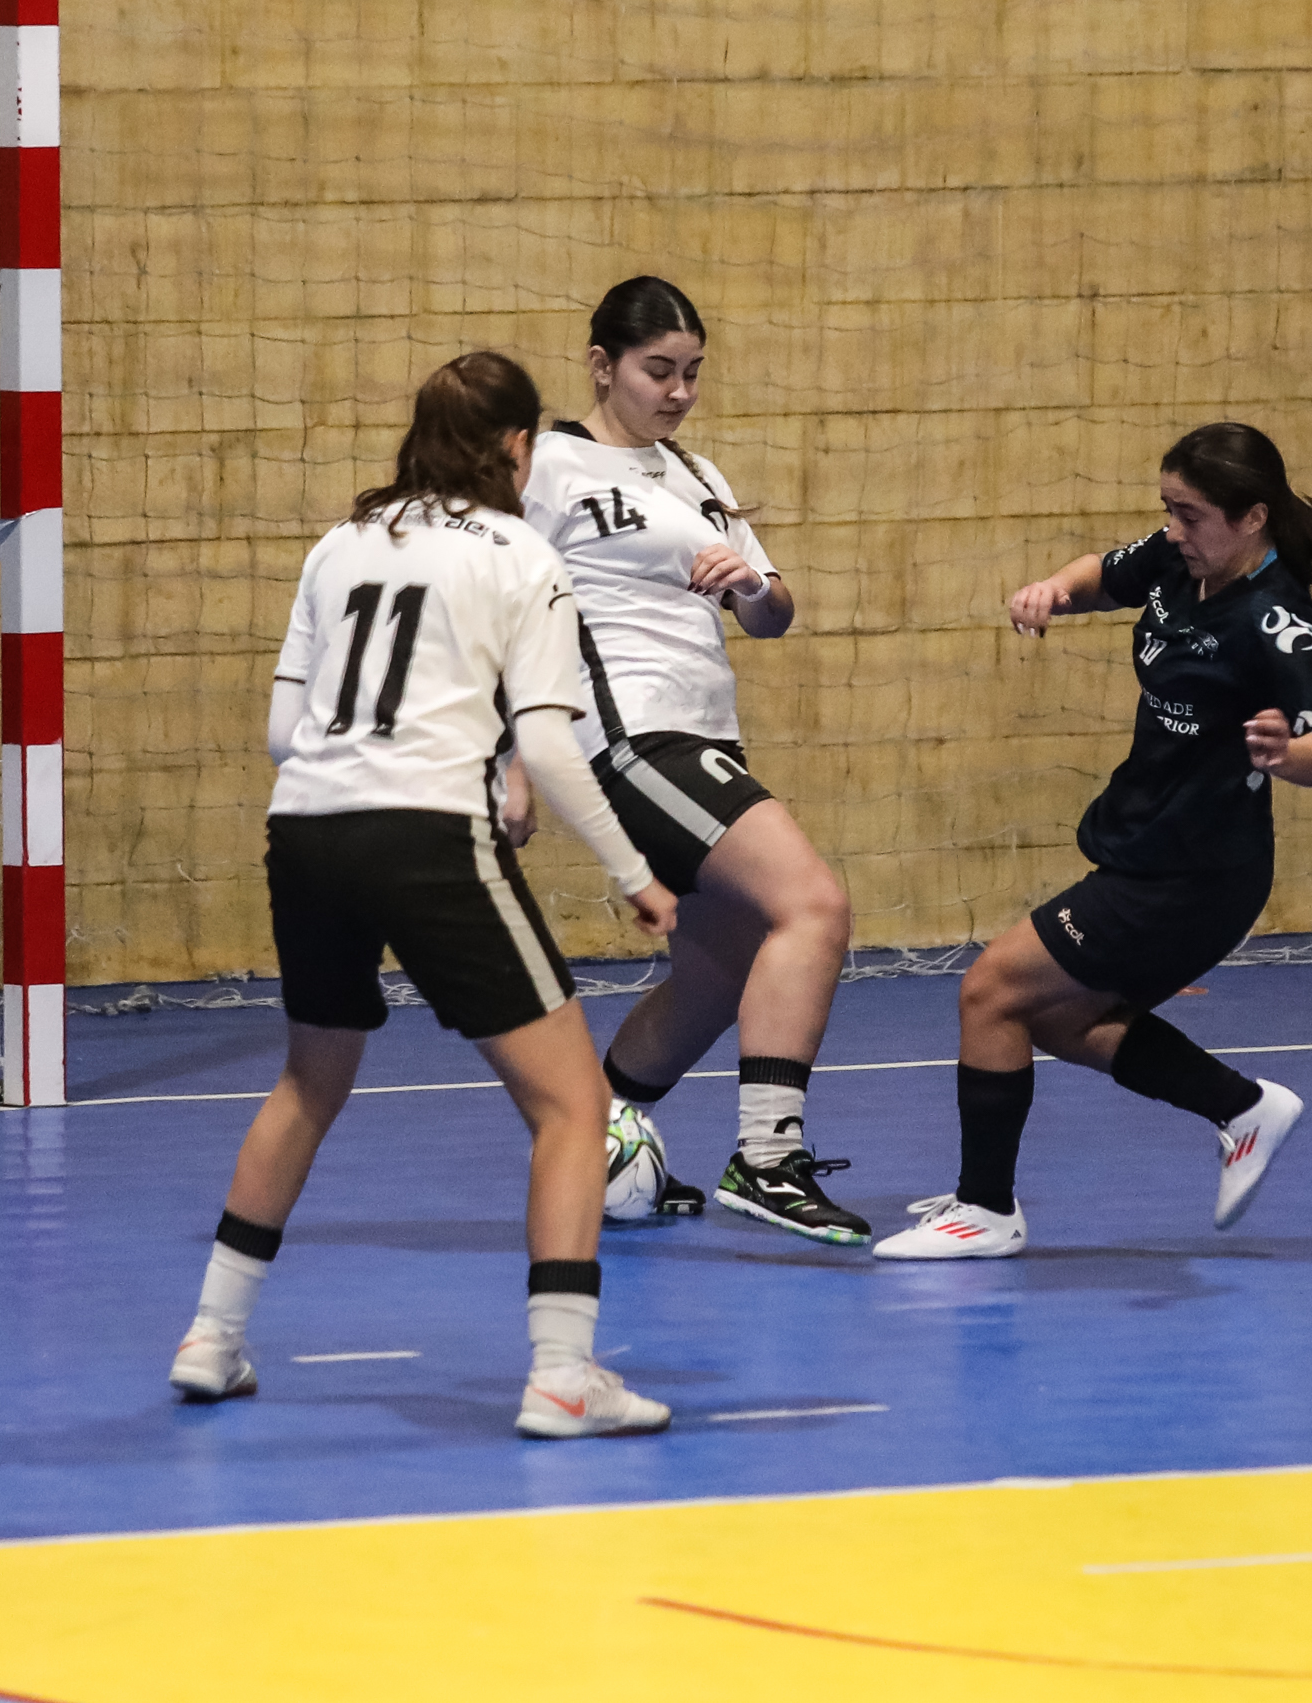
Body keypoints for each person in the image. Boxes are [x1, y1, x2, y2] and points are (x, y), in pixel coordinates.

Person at [168, 352, 684, 1439]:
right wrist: (636, 877)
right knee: (573, 1105)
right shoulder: (521, 553)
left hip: (306, 829)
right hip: (426, 834)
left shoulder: (337, 544)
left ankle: (211, 1338)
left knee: (308, 1084)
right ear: (514, 448)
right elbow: (546, 740)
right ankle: (562, 1375)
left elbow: (280, 734)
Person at [874, 423, 1312, 1259]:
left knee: (990, 990)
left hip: (1194, 873)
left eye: (1191, 515)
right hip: (1148, 844)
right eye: (1167, 510)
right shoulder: (1179, 559)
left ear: (1251, 518)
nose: (1173, 528)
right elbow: (1106, 574)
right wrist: (1052, 590)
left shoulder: (1278, 622)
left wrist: (1286, 754)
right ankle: (1241, 1107)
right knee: (1054, 1017)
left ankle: (985, 1213)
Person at [513, 276, 867, 1245]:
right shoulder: (550, 466)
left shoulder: (693, 474)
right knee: (815, 905)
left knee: (725, 966)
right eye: (656, 370)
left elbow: (774, 614)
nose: (675, 391)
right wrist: (509, 758)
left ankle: (597, 1139)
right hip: (627, 739)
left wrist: (751, 583)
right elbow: (498, 604)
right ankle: (769, 1158)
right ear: (602, 365)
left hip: (703, 734)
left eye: (691, 373)